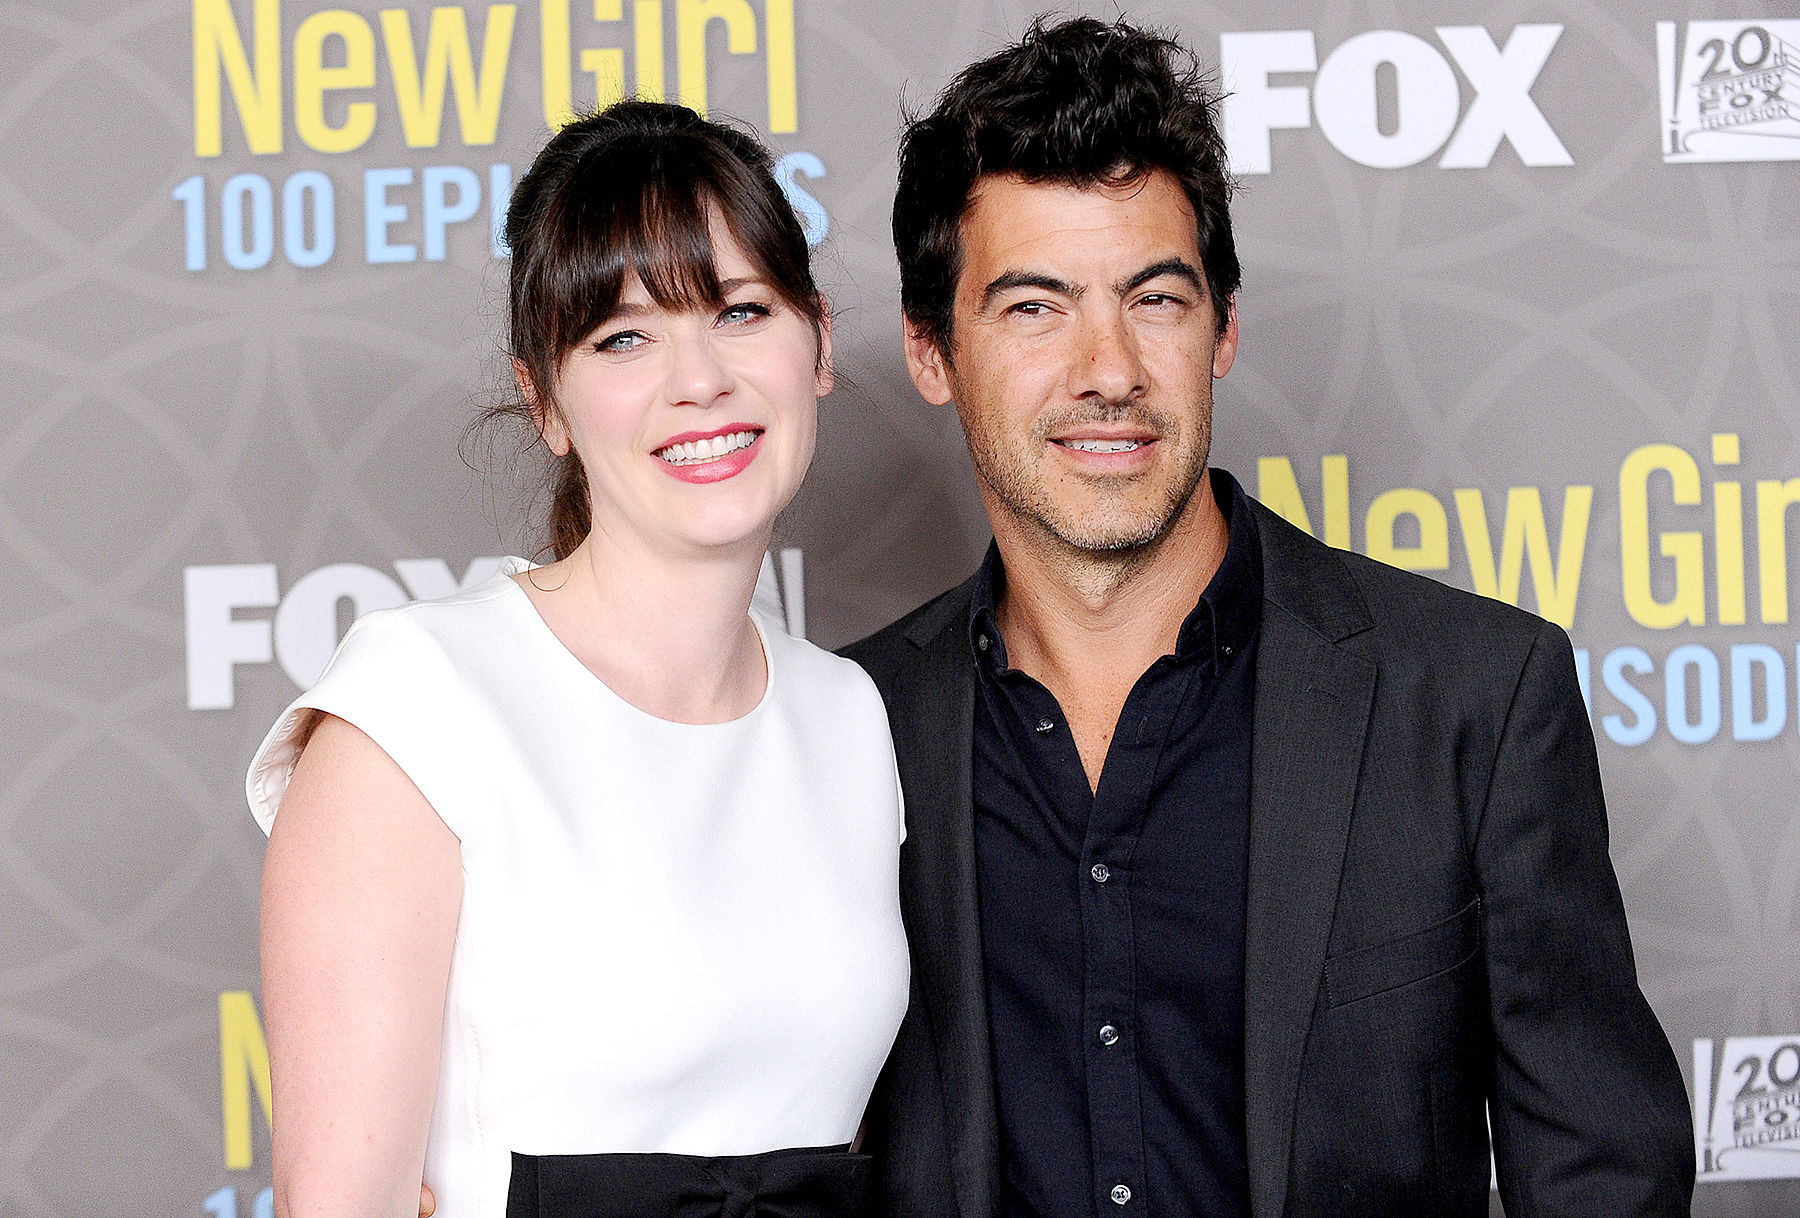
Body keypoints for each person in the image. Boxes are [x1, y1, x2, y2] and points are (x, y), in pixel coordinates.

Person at [844, 16, 1694, 1218]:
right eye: (1034, 308)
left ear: (1224, 328)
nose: (1109, 368)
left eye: (1157, 298)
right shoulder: (840, 728)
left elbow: (1607, 1177)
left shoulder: (1469, 700)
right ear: (934, 350)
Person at [249, 101, 908, 1218]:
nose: (699, 379)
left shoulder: (851, 716)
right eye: (624, 337)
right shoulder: (418, 708)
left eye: (742, 312)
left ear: (821, 344)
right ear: (544, 398)